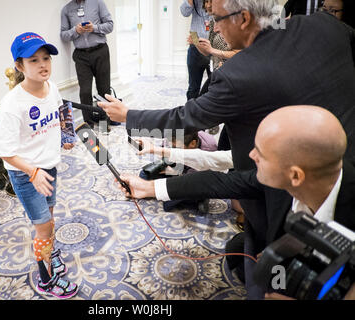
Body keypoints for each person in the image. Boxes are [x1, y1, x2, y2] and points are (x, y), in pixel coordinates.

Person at [98, 0, 355, 298]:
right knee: (251, 257)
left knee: (272, 279)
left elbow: (185, 118)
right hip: (299, 184)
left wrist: (129, 116)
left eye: (215, 17)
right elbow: (225, 174)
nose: (213, 26)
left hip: (304, 206)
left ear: (243, 18)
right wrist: (150, 185)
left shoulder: (239, 75)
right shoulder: (325, 25)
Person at [117, 105, 355, 299]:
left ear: (295, 175)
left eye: (260, 153)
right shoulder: (289, 174)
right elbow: (217, 181)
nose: (251, 156)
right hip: (284, 255)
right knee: (239, 254)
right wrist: (149, 187)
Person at [0, 32, 78, 299]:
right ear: (19, 66)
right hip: (26, 174)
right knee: (43, 226)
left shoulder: (52, 87)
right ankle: (46, 279)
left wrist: (67, 134)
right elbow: (2, 151)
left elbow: (63, 110)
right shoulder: (13, 103)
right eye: (33, 60)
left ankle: (51, 254)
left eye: (46, 58)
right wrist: (33, 172)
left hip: (48, 167)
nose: (42, 64)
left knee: (49, 217)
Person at [60, 0, 115, 127]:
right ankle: (88, 123)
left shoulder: (98, 3)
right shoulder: (66, 10)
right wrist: (75, 31)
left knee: (104, 89)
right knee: (85, 92)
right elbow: (63, 35)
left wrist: (94, 28)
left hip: (100, 51)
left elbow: (110, 25)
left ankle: (104, 123)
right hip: (81, 55)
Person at [181, 0, 212, 100]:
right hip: (195, 43)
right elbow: (184, 12)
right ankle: (191, 114)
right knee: (193, 88)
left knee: (214, 86)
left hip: (214, 45)